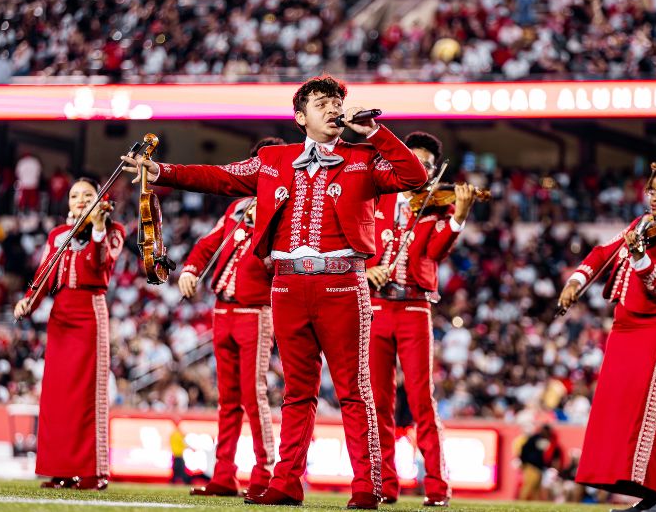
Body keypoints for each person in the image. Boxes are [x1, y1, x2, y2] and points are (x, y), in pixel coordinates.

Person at [121, 75, 428, 509]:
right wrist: (162, 171)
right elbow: (220, 177)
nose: (333, 107)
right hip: (285, 285)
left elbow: (413, 176)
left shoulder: (363, 156)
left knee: (352, 389)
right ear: (300, 117)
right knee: (296, 392)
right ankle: (286, 483)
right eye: (321, 102)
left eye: (337, 101)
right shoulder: (273, 159)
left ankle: (367, 486)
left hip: (342, 280)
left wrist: (377, 132)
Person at [558, 163, 656, 512]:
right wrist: (576, 282)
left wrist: (639, 255)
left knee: (653, 407)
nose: (653, 197)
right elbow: (602, 253)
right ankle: (651, 495)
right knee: (621, 408)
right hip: (627, 328)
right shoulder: (641, 224)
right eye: (651, 190)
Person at [365, 132, 476, 506]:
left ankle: (437, 487)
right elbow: (357, 242)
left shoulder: (436, 206)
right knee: (377, 401)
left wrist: (458, 217)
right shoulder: (377, 198)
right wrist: (367, 271)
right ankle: (384, 484)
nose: (421, 168)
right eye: (414, 160)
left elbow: (435, 251)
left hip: (414, 307)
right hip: (378, 307)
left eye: (427, 164)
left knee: (421, 399)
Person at [181, 137, 284, 499]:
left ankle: (265, 473)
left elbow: (279, 265)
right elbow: (208, 243)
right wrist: (191, 269)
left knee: (253, 396)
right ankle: (224, 475)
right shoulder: (238, 207)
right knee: (227, 397)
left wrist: (264, 229)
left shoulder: (284, 210)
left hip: (256, 313)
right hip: (222, 310)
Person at [13, 177, 125, 491]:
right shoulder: (58, 235)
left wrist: (98, 229)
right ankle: (60, 469)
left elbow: (98, 266)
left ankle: (94, 472)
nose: (79, 199)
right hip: (59, 316)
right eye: (74, 195)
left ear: (100, 198)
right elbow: (45, 275)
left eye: (87, 194)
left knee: (89, 395)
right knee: (57, 397)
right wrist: (28, 302)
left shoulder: (113, 231)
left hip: (89, 312)